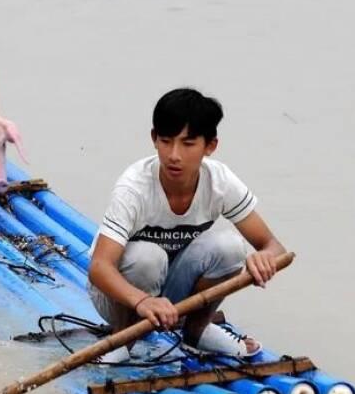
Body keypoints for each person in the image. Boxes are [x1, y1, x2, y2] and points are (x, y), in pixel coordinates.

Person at [87, 88, 286, 363]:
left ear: (210, 146)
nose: (174, 155)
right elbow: (99, 267)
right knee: (148, 257)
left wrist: (264, 258)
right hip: (120, 295)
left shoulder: (220, 182)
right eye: (166, 141)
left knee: (230, 247)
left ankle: (196, 332)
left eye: (188, 144)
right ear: (154, 139)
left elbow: (273, 246)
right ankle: (122, 340)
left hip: (172, 295)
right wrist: (142, 301)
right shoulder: (134, 187)